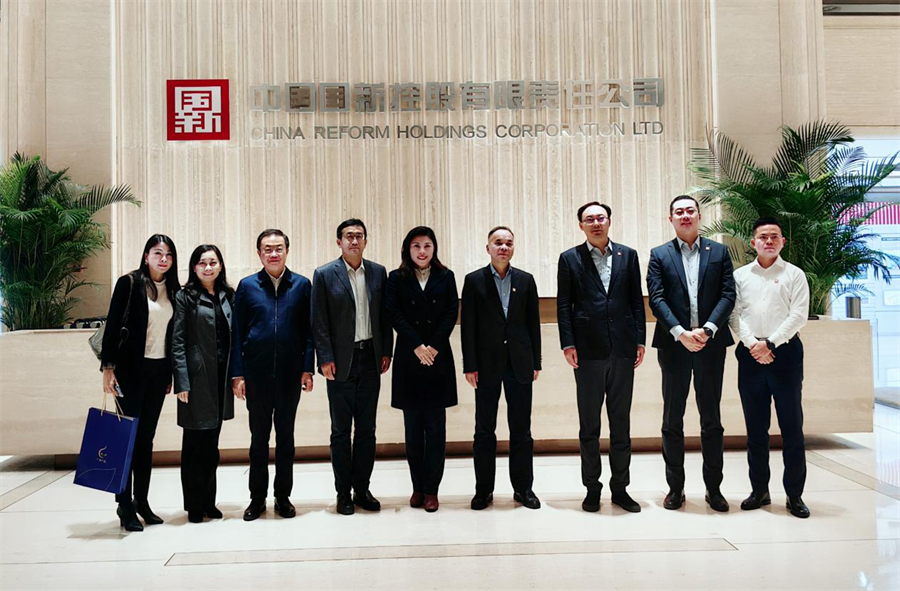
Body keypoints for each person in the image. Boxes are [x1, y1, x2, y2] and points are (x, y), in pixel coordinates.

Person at [646, 195, 735, 512]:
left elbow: (728, 294)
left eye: (690, 211)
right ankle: (675, 488)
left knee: (712, 419)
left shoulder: (719, 252)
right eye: (678, 212)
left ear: (699, 216)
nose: (685, 216)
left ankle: (714, 489)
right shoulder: (659, 255)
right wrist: (681, 333)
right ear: (670, 218)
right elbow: (656, 298)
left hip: (711, 345)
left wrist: (708, 329)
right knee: (672, 418)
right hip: (674, 346)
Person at [557, 203, 646, 513]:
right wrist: (568, 343)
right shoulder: (570, 258)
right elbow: (564, 304)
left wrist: (639, 340)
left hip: (623, 349)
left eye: (600, 218)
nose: (596, 223)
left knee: (621, 424)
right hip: (587, 351)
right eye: (589, 219)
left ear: (609, 221)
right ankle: (592, 488)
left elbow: (636, 300)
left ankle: (620, 488)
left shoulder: (628, 255)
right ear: (580, 225)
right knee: (589, 426)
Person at [729, 217, 810, 518]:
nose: (769, 241)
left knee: (792, 427)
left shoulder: (794, 275)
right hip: (750, 355)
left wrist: (771, 344)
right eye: (763, 237)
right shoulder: (740, 276)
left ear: (782, 242)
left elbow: (798, 315)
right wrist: (754, 344)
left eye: (774, 236)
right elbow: (734, 315)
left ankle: (794, 495)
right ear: (753, 243)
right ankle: (759, 490)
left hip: (785, 355)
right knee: (756, 429)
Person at [231, 229, 315, 522]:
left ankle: (283, 497)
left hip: (291, 375)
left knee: (286, 439)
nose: (273, 253)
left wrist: (307, 368)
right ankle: (257, 499)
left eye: (279, 248)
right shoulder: (247, 286)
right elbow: (237, 332)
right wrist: (238, 374)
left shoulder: (302, 285)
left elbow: (308, 332)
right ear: (259, 254)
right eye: (267, 249)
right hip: (256, 375)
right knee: (258, 440)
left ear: (287, 251)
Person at [312, 219, 393, 515]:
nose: (354, 241)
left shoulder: (378, 272)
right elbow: (319, 320)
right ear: (339, 242)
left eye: (359, 236)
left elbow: (384, 317)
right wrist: (325, 358)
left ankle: (362, 489)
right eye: (349, 236)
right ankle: (343, 492)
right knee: (340, 431)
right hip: (340, 362)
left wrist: (387, 351)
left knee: (367, 430)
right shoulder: (324, 274)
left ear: (366, 241)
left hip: (370, 357)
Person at [100, 234, 180, 532]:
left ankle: (142, 501)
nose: (163, 259)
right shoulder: (129, 283)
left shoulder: (174, 290)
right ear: (146, 256)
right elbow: (112, 326)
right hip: (130, 371)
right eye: (157, 253)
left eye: (168, 254)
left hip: (158, 371)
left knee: (146, 439)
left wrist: (169, 374)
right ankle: (124, 504)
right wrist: (108, 368)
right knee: (127, 437)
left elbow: (172, 336)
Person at [461, 226, 541, 511]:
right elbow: (468, 326)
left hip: (520, 363)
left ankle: (523, 489)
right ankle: (483, 490)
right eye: (498, 243)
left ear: (513, 248)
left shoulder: (526, 280)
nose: (503, 247)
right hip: (486, 365)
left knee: (522, 429)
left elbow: (533, 324)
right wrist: (469, 364)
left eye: (508, 243)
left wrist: (536, 362)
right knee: (484, 430)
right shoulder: (474, 281)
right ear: (488, 248)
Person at [386, 226, 459, 512]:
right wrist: (417, 345)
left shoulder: (446, 276)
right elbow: (394, 313)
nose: (422, 251)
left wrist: (433, 347)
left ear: (434, 248)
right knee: (413, 430)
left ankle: (432, 490)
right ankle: (417, 487)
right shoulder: (396, 278)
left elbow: (451, 312)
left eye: (427, 245)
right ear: (408, 249)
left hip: (438, 358)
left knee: (436, 429)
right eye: (416, 246)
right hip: (409, 357)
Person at [172, 244, 235, 523]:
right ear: (194, 267)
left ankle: (209, 501)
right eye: (202, 263)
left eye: (213, 262)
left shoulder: (228, 295)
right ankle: (194, 505)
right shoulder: (185, 296)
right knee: (194, 445)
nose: (208, 268)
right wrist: (181, 381)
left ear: (220, 266)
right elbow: (177, 341)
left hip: (221, 379)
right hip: (196, 379)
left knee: (211, 444)